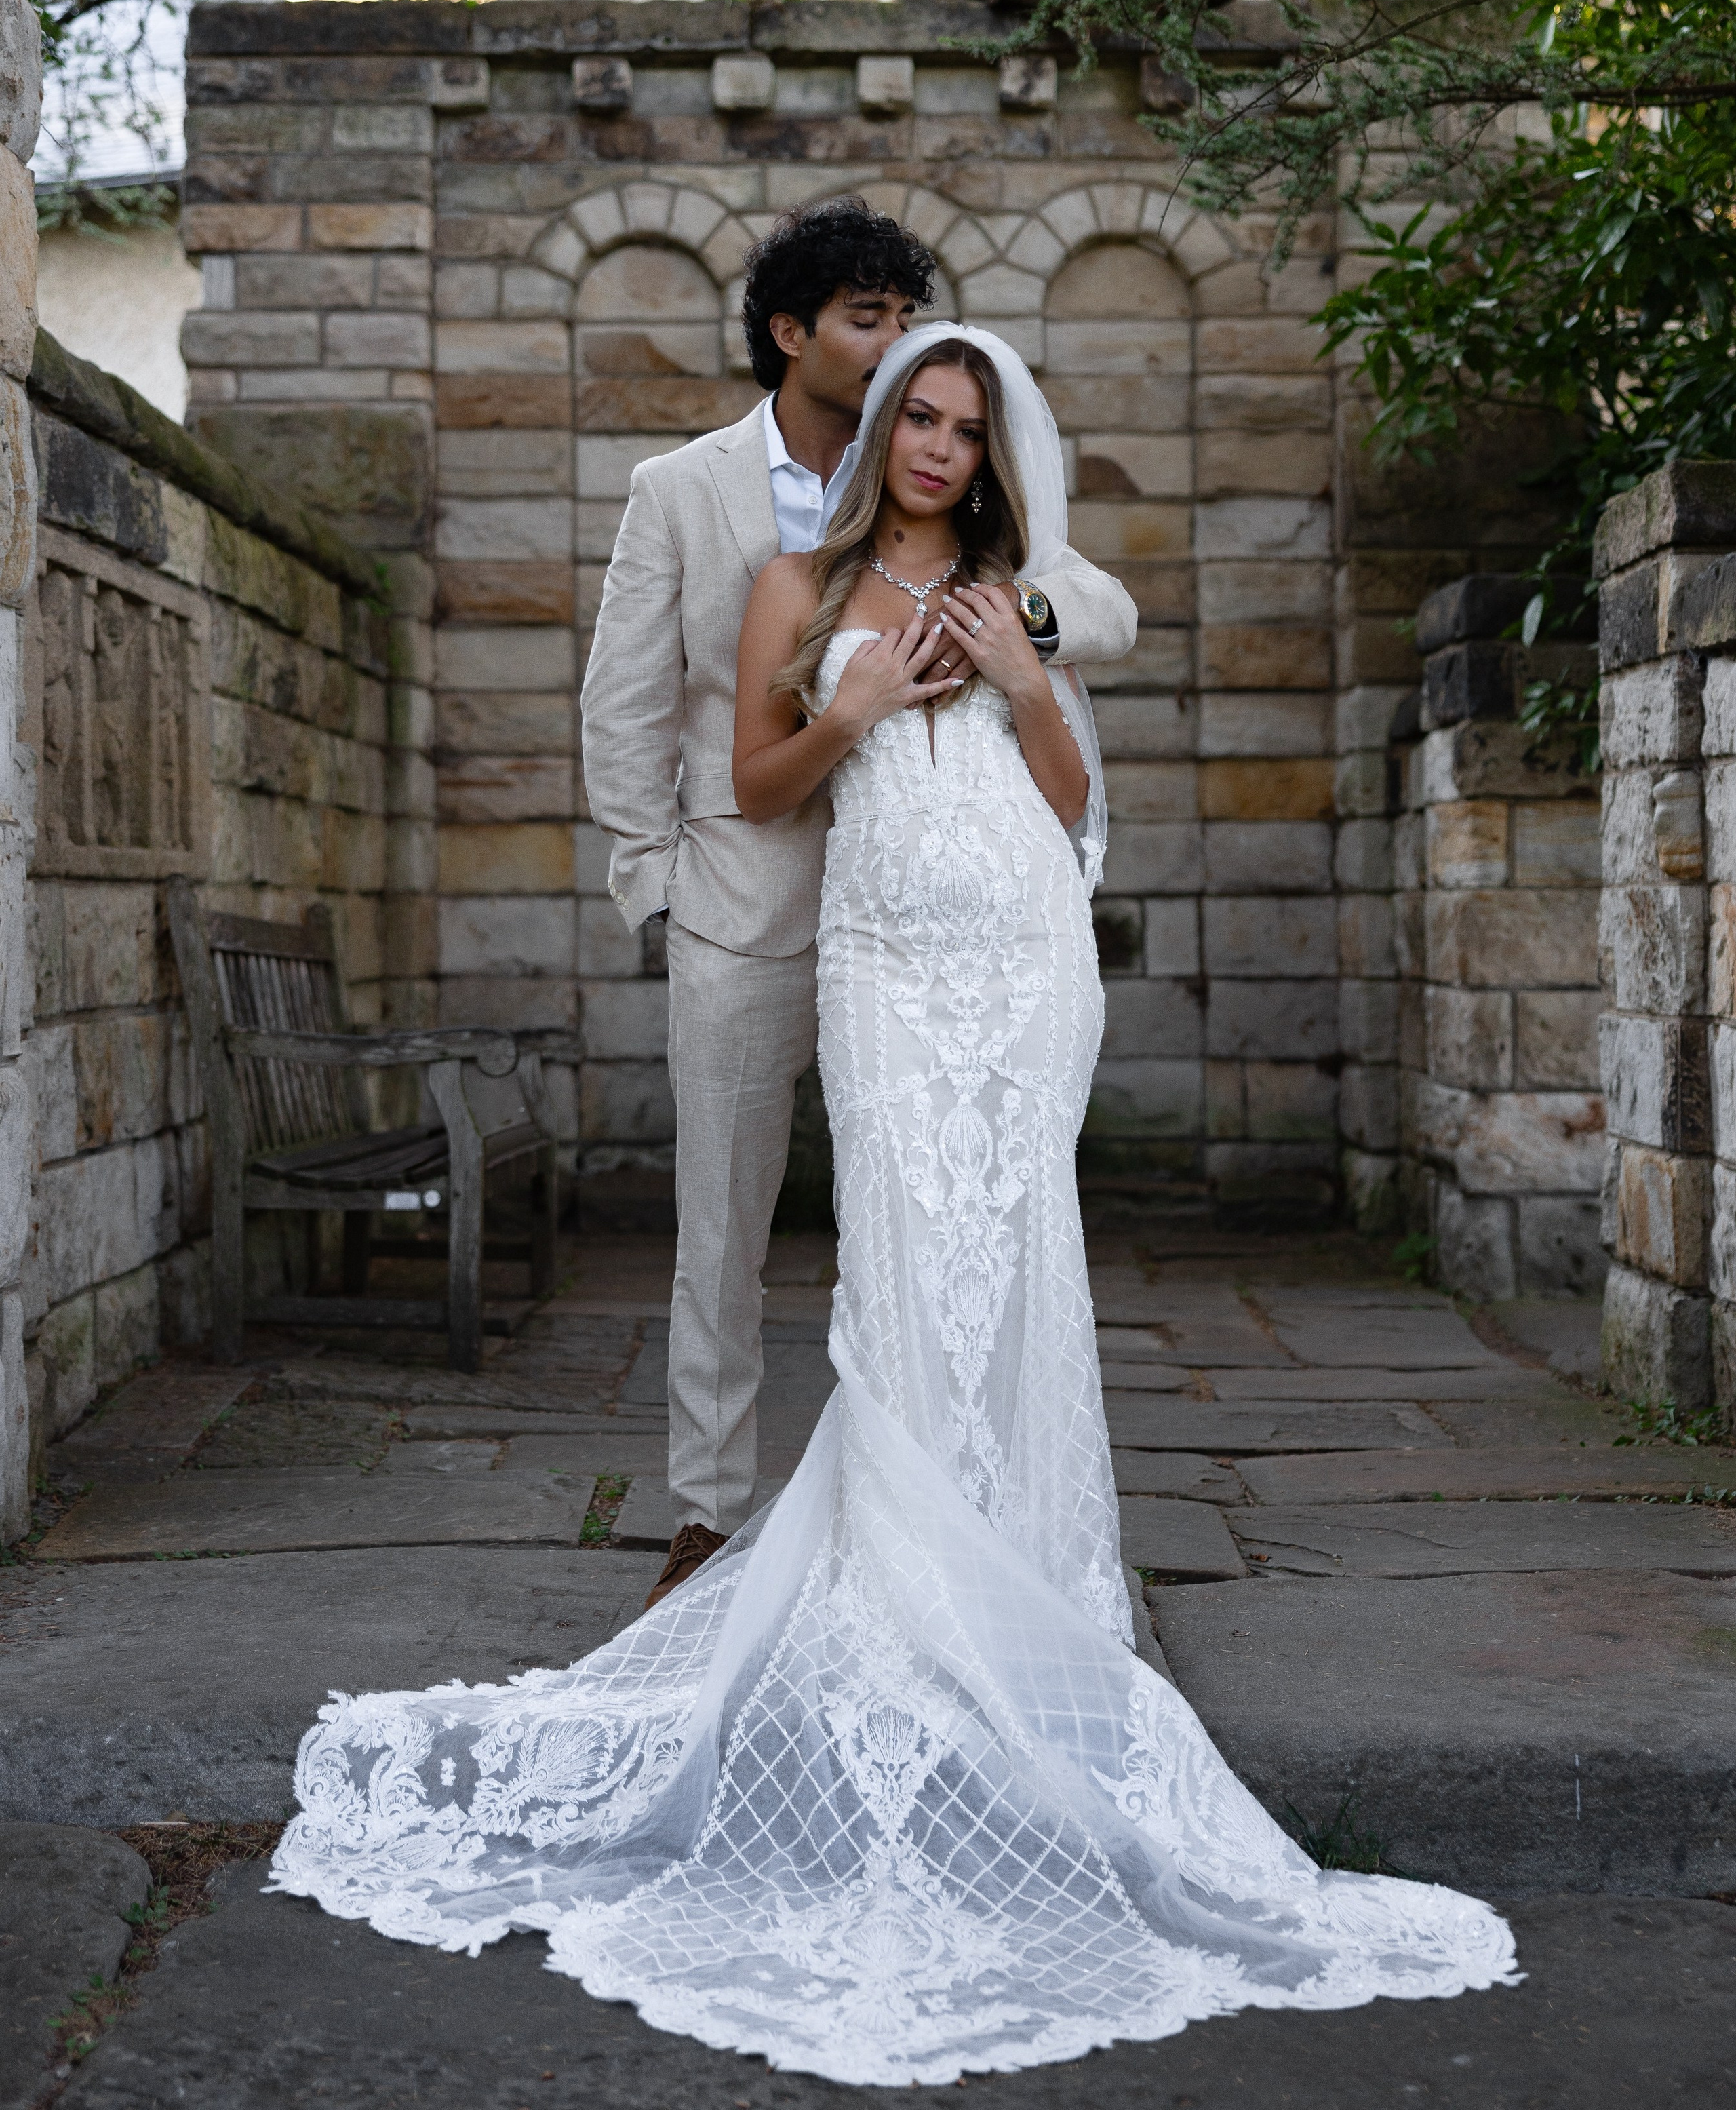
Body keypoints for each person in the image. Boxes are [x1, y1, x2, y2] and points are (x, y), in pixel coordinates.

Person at [271, 324, 1517, 2088]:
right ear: (879, 434)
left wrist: (1018, 680)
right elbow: (762, 785)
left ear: (996, 448)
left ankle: (1023, 1597)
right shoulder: (796, 584)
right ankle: (904, 1629)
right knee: (901, 1282)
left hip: (1023, 961)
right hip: (879, 964)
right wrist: (852, 705)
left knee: (1016, 1276)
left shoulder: (1025, 591)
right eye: (915, 419)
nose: (937, 446)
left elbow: (1080, 814)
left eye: (964, 425)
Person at [574, 196, 1136, 1609]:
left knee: (956, 1231)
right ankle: (707, 1518)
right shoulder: (685, 491)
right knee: (724, 1233)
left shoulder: (987, 531)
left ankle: (979, 1527)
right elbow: (627, 705)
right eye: (870, 321)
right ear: (794, 333)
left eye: (908, 322)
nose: (899, 353)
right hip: (751, 918)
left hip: (971, 923)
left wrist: (1027, 647)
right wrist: (656, 887)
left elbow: (1102, 617)